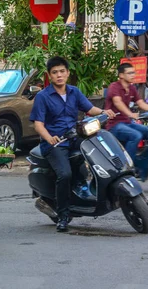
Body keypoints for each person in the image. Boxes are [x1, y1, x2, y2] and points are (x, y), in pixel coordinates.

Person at [29, 56, 115, 232]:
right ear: (49, 76)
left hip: (75, 137)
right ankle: (63, 215)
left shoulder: (74, 92)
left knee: (99, 149)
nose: (59, 75)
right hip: (56, 143)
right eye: (55, 72)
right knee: (65, 174)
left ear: (67, 73)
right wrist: (49, 138)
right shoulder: (43, 97)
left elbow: (90, 109)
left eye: (62, 71)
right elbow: (38, 124)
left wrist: (104, 112)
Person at [104, 63, 148, 176]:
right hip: (114, 125)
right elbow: (118, 102)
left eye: (134, 72)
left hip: (127, 123)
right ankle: (127, 166)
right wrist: (131, 114)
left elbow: (140, 102)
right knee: (135, 135)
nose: (133, 75)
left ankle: (142, 160)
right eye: (130, 73)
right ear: (121, 75)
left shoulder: (131, 88)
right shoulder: (114, 86)